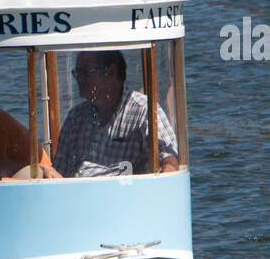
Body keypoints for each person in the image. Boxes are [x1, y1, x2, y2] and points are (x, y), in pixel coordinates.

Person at [53, 49, 179, 177]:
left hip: (126, 193)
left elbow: (169, 154)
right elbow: (59, 170)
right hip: (74, 194)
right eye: (77, 73)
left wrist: (167, 169)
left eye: (85, 73)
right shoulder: (75, 117)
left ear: (111, 72)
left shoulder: (143, 110)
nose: (79, 79)